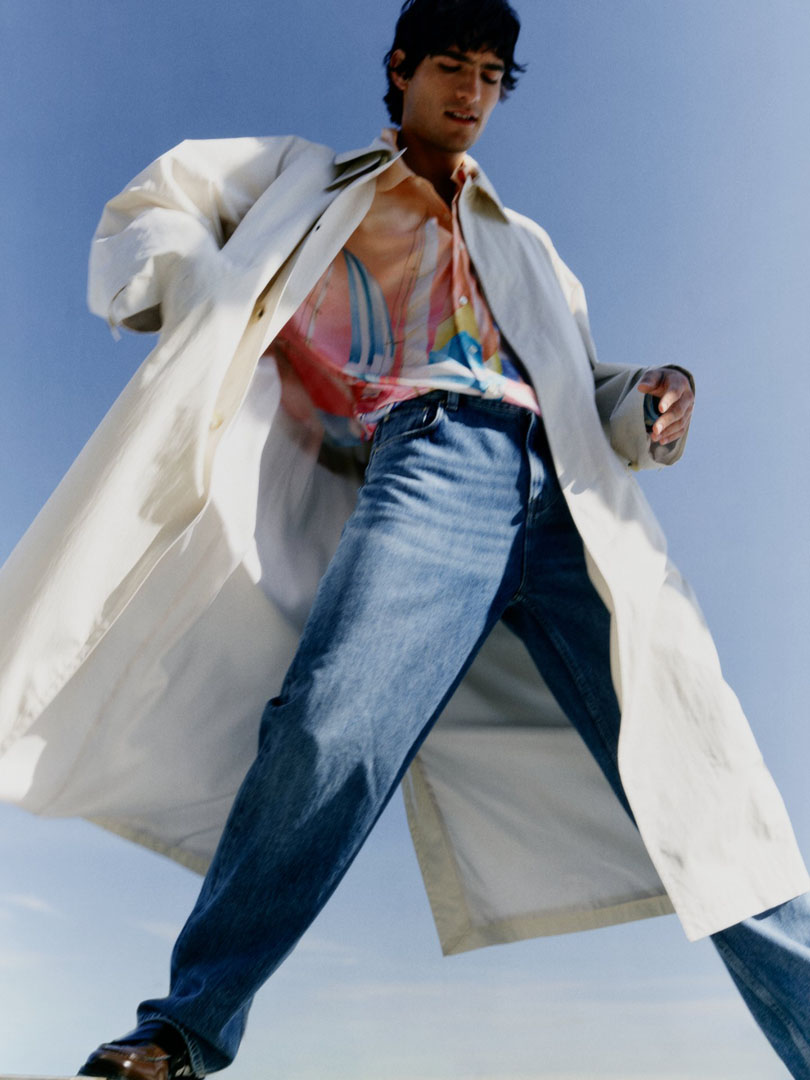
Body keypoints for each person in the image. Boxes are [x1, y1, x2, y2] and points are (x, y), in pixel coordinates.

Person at [0, 1, 807, 1077]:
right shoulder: (304, 179)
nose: (471, 94)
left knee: (705, 784)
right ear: (401, 68)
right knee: (332, 727)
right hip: (434, 460)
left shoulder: (529, 243)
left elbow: (581, 378)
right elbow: (159, 206)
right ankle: (185, 1029)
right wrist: (203, 294)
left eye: (490, 76)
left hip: (572, 501)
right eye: (451, 67)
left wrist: (657, 390)